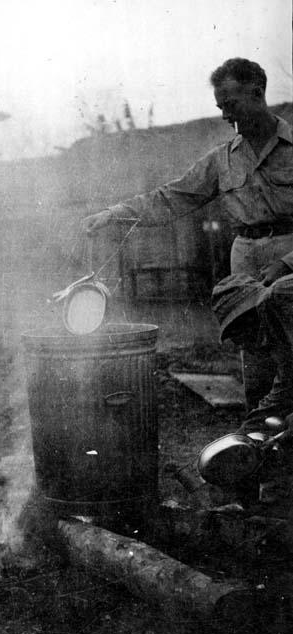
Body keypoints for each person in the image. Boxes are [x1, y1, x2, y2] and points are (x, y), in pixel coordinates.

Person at [83, 58, 293, 410]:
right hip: (246, 262)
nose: (226, 116)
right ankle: (257, 445)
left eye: (231, 105)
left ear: (257, 94)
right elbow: (172, 197)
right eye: (221, 107)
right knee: (255, 359)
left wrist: (287, 263)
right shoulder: (221, 160)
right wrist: (114, 214)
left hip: (289, 255)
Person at [211, 273, 293, 507]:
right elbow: (286, 385)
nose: (239, 344)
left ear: (246, 316)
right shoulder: (279, 336)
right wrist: (244, 432)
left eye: (236, 333)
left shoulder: (279, 298)